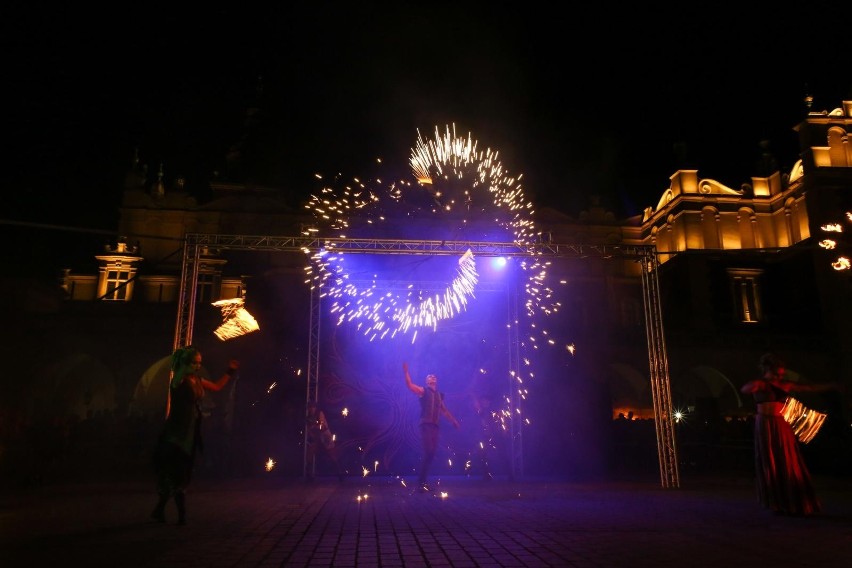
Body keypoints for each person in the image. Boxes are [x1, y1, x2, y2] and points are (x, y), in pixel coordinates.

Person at [739, 352, 839, 516]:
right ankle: (777, 499)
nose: (780, 375)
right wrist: (762, 383)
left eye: (782, 373)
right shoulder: (760, 384)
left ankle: (793, 497)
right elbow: (744, 389)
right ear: (769, 370)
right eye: (777, 372)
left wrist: (831, 385)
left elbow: (809, 387)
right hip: (765, 423)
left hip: (780, 423)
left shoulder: (784, 384)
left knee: (787, 457)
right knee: (770, 458)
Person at [151, 346, 239, 525]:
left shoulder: (197, 380)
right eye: (194, 363)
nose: (198, 366)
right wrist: (182, 364)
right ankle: (179, 516)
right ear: (185, 363)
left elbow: (216, 386)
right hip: (176, 431)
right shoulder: (178, 380)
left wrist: (230, 370)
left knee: (181, 473)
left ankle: (161, 510)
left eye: (199, 363)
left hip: (190, 430)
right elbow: (177, 379)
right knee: (175, 472)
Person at [403, 362, 460, 492]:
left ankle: (422, 481)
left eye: (434, 376)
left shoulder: (440, 395)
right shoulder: (423, 391)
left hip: (435, 426)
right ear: (427, 381)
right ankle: (421, 483)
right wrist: (406, 372)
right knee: (429, 451)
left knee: (432, 453)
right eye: (429, 376)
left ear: (437, 380)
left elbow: (444, 411)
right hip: (426, 425)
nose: (432, 377)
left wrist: (453, 421)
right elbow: (410, 385)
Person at [305, 400, 344, 482]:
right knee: (310, 454)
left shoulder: (319, 413)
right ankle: (309, 475)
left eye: (313, 407)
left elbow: (322, 426)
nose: (311, 409)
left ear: (315, 408)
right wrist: (312, 433)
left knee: (332, 454)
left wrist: (315, 427)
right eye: (310, 408)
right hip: (317, 436)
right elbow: (309, 430)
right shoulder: (308, 417)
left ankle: (340, 474)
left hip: (325, 435)